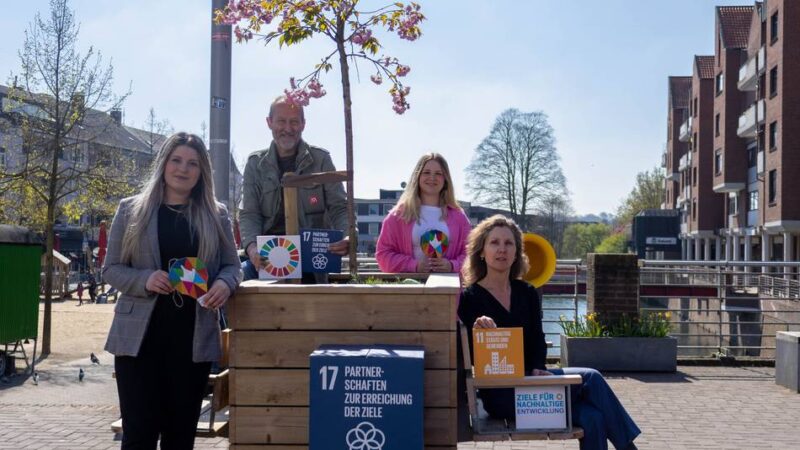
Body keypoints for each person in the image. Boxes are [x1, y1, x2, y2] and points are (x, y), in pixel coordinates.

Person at [102, 132, 241, 449]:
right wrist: (145, 279)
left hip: (192, 343)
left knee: (180, 439)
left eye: (193, 163)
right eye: (176, 160)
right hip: (139, 344)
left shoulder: (216, 214)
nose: (183, 169)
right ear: (163, 163)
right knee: (138, 437)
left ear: (202, 171)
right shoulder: (130, 210)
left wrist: (224, 284)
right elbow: (110, 269)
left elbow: (233, 267)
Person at [457, 215, 640, 450]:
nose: (502, 249)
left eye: (509, 243)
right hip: (500, 393)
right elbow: (471, 357)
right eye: (494, 242)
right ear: (481, 251)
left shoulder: (527, 292)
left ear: (517, 252)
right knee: (592, 378)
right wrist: (480, 334)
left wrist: (538, 367)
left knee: (593, 417)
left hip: (534, 382)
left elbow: (537, 338)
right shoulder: (470, 298)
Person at [239, 95, 349, 282]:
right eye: (281, 121)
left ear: (303, 124)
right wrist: (251, 248)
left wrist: (348, 236)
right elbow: (249, 213)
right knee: (234, 280)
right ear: (269, 122)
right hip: (266, 259)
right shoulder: (255, 164)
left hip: (310, 260)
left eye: (294, 122)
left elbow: (339, 207)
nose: (288, 128)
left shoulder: (321, 160)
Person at [375, 153, 470, 273]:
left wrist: (452, 265)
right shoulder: (398, 216)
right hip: (410, 284)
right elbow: (383, 255)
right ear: (417, 176)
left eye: (438, 173)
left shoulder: (459, 217)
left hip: (449, 284)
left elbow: (472, 254)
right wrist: (414, 265)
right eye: (426, 172)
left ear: (445, 179)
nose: (432, 177)